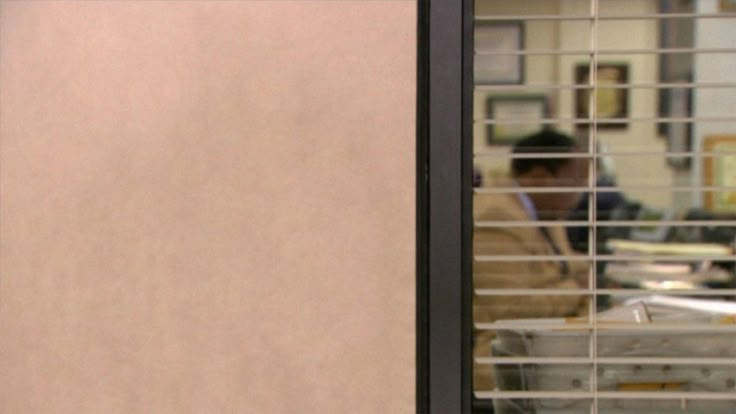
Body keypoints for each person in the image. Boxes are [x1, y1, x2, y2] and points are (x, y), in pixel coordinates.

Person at [472, 130, 590, 394]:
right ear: (540, 177)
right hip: (508, 366)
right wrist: (577, 289)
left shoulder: (545, 212)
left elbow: (568, 267)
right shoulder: (496, 217)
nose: (580, 195)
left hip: (548, 349)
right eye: (576, 182)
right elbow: (508, 308)